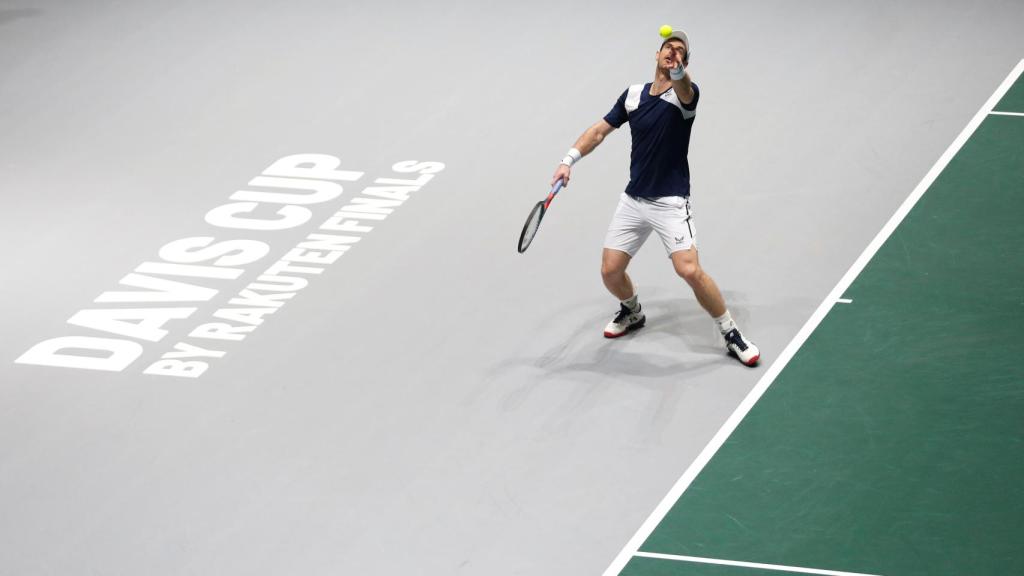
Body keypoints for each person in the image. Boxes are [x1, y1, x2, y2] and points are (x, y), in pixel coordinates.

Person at [550, 28, 760, 367]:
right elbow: (599, 131)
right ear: (657, 54)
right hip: (634, 199)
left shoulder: (686, 96)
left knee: (689, 270)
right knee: (610, 272)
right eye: (668, 47)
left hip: (670, 201)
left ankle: (730, 331)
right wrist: (568, 160)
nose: (672, 52)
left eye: (680, 51)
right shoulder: (633, 95)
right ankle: (632, 311)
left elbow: (685, 87)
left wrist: (679, 73)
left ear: (684, 62)